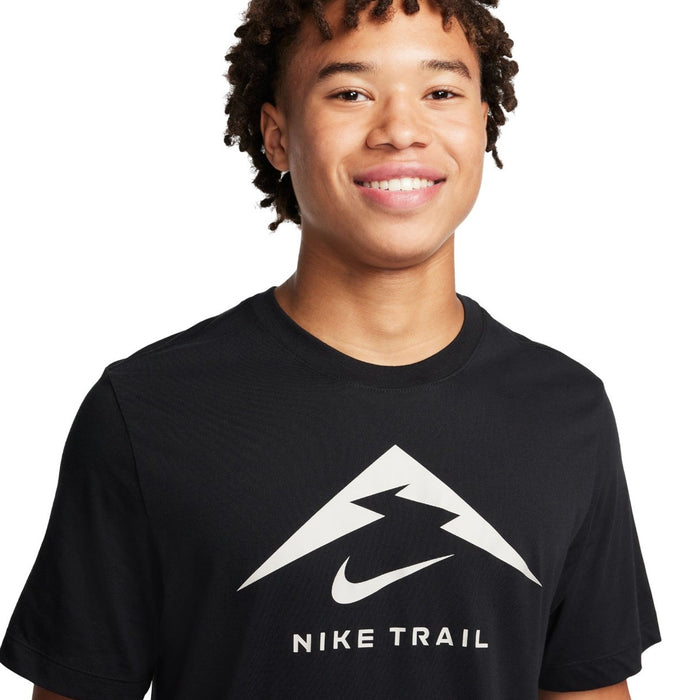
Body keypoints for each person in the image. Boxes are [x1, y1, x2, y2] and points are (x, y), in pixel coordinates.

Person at [1, 0, 660, 697]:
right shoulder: (147, 411)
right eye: (351, 93)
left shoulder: (565, 412)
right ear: (277, 137)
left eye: (440, 93)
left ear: (483, 122)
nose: (401, 129)